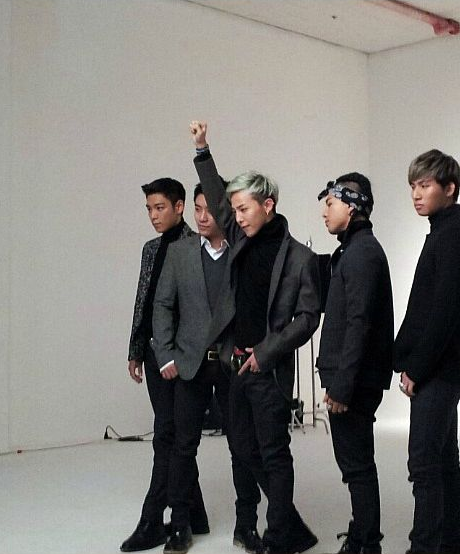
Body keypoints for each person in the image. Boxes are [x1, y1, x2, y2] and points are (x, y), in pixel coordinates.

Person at [190, 119, 321, 554]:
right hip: (236, 365)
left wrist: (266, 353)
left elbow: (308, 318)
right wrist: (203, 150)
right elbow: (217, 198)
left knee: (274, 453)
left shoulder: (300, 258)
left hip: (267, 368)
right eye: (235, 210)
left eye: (244, 209)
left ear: (268, 205)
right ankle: (293, 525)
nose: (237, 217)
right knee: (244, 449)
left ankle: (280, 535)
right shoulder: (241, 239)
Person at [152, 183, 263, 554]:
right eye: (196, 208)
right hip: (189, 365)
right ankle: (179, 525)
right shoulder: (180, 252)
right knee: (183, 446)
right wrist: (165, 355)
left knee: (242, 446)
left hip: (233, 365)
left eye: (209, 210)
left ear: (225, 212)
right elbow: (163, 305)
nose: (201, 217)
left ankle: (246, 525)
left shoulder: (243, 250)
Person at [394, 150, 460, 554]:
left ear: (450, 188)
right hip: (441, 368)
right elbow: (425, 309)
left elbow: (444, 315)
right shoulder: (444, 233)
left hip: (440, 371)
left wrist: (416, 369)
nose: (416, 194)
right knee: (443, 459)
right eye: (413, 186)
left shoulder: (454, 237)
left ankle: (425, 546)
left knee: (424, 463)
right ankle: (451, 543)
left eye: (425, 185)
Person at [122, 178, 209, 552]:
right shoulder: (151, 249)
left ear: (179, 207)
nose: (153, 216)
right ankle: (196, 514)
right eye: (149, 209)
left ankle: (153, 518)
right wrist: (135, 349)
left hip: (183, 356)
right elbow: (143, 302)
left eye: (160, 208)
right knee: (171, 433)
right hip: (154, 354)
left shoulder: (195, 246)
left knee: (168, 436)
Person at [315, 174, 394, 554]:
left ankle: (366, 543)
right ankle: (364, 537)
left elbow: (359, 323)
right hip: (352, 378)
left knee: (357, 466)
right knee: (356, 464)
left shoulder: (362, 253)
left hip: (354, 382)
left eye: (330, 204)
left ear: (351, 206)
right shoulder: (354, 250)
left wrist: (343, 386)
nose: (324, 213)